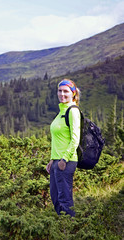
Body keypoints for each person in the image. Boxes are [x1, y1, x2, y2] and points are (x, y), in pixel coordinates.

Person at [46, 79, 81, 217]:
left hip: (66, 162)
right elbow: (57, 140)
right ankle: (62, 228)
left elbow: (75, 139)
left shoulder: (72, 111)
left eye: (65, 91)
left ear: (73, 93)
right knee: (55, 198)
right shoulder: (61, 111)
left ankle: (70, 230)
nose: (62, 94)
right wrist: (52, 160)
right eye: (60, 91)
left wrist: (64, 160)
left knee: (64, 199)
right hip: (56, 161)